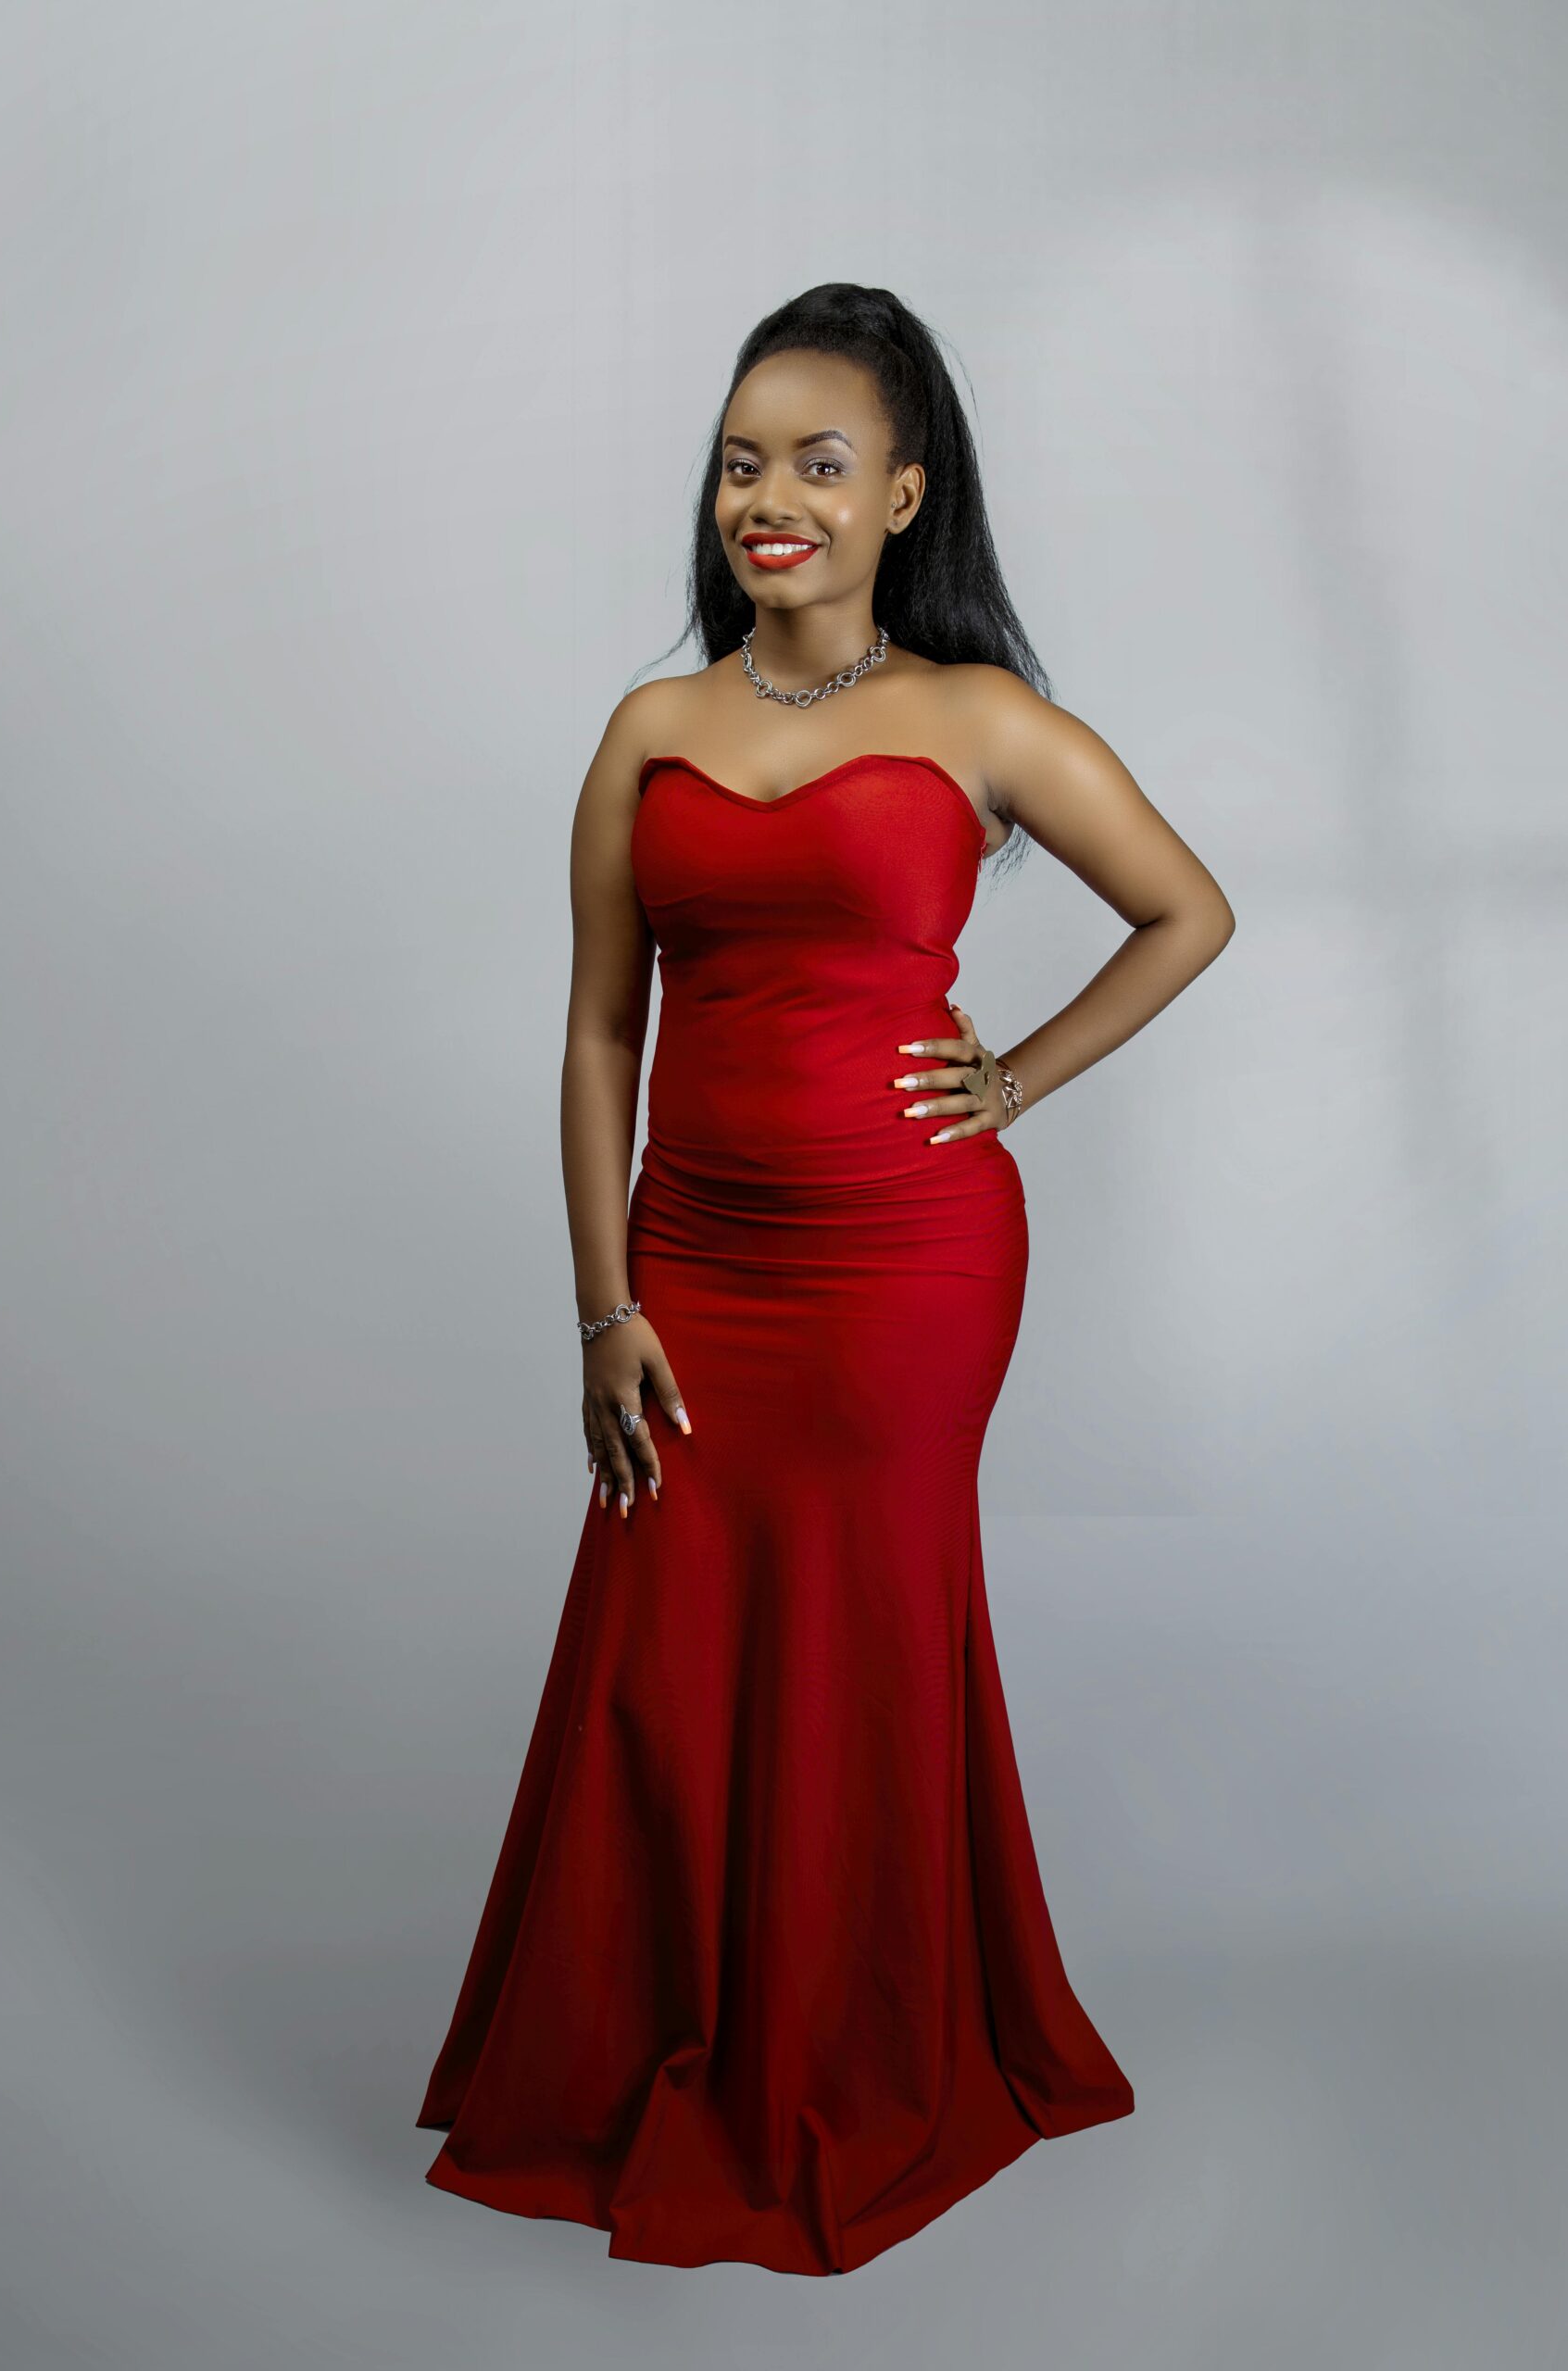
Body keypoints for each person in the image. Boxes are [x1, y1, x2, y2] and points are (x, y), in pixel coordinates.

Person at [416, 282, 1236, 2276]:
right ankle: (646, 2045)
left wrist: (1013, 1078)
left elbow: (1184, 909)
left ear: (902, 497)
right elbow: (599, 1032)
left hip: (905, 1266)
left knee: (860, 1631)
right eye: (739, 462)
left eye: (817, 462)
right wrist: (602, 1305)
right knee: (666, 1641)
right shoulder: (650, 730)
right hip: (693, 1260)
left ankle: (857, 2054)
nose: (767, 499)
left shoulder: (979, 719)